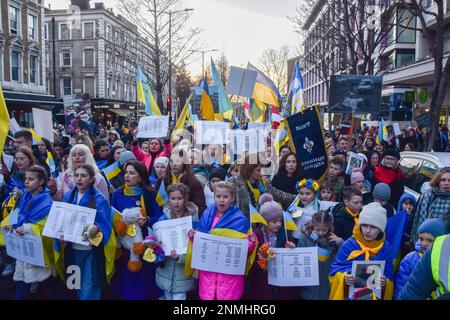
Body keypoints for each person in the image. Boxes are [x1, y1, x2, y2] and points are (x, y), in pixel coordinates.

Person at [185, 181, 257, 300]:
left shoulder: (240, 219)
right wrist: (193, 236)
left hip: (229, 278)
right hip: (208, 276)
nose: (221, 200)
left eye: (225, 196)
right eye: (218, 196)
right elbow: (200, 243)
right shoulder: (207, 215)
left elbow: (245, 250)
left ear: (232, 198)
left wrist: (251, 242)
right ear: (214, 197)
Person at [56, 165, 116, 300]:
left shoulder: (100, 199)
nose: (79, 179)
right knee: (75, 283)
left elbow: (105, 225)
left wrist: (96, 227)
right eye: (76, 175)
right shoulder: (68, 197)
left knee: (90, 286)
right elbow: (62, 222)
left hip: (91, 250)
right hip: (72, 249)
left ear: (91, 179)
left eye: (83, 176)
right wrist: (60, 236)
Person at [111, 161, 163, 300]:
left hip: (145, 243)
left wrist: (148, 220)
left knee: (145, 277)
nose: (127, 176)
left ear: (140, 177)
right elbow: (113, 215)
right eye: (126, 172)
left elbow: (160, 215)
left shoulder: (151, 193)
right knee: (128, 276)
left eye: (132, 173)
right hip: (124, 243)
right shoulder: (117, 194)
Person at [7, 166, 55, 299]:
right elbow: (18, 214)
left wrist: (28, 228)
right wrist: (11, 224)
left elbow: (47, 227)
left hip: (41, 252)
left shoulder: (47, 202)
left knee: (46, 287)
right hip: (24, 248)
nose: (26, 182)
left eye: (31, 179)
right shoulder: (24, 197)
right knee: (22, 287)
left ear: (41, 182)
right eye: (26, 179)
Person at [329, 202, 394, 300]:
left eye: (373, 227)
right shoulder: (349, 245)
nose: (368, 231)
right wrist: (344, 278)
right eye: (364, 226)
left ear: (380, 230)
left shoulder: (385, 248)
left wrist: (385, 283)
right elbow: (334, 272)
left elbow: (389, 276)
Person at [245, 193, 296, 300]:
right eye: (274, 221)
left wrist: (291, 249)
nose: (278, 224)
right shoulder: (257, 236)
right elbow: (250, 264)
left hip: (280, 284)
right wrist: (261, 260)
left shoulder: (285, 236)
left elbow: (291, 262)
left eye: (280, 221)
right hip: (261, 283)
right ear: (264, 222)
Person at [154, 183, 199, 300]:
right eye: (173, 198)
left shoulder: (192, 222)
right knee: (167, 296)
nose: (176, 202)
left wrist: (180, 257)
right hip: (165, 272)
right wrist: (157, 246)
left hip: (183, 274)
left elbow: (195, 249)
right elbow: (155, 248)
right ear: (169, 199)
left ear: (185, 199)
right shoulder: (163, 220)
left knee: (179, 297)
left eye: (180, 198)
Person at [394, 218, 447, 299]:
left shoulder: (445, 259)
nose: (424, 243)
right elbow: (401, 286)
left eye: (430, 240)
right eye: (421, 239)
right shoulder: (409, 259)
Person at [297, 211, 342, 300]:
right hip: (307, 290)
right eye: (318, 229)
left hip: (326, 288)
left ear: (329, 226)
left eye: (324, 230)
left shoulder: (333, 239)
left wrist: (340, 243)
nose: (321, 232)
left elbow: (342, 258)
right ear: (313, 225)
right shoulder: (305, 238)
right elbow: (299, 259)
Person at [409, 168, 450, 244]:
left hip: (443, 243)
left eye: (449, 180)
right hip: (422, 239)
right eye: (443, 180)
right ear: (438, 181)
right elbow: (415, 216)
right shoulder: (427, 195)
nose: (446, 183)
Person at [169, 148, 206, 215]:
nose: (174, 164)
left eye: (178, 161)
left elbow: (201, 207)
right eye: (171, 161)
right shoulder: (163, 179)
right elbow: (159, 203)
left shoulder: (193, 182)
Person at [385, 193, 416, 270]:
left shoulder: (414, 219)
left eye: (411, 205)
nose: (408, 206)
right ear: (401, 204)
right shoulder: (395, 217)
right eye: (406, 204)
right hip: (397, 247)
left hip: (407, 249)